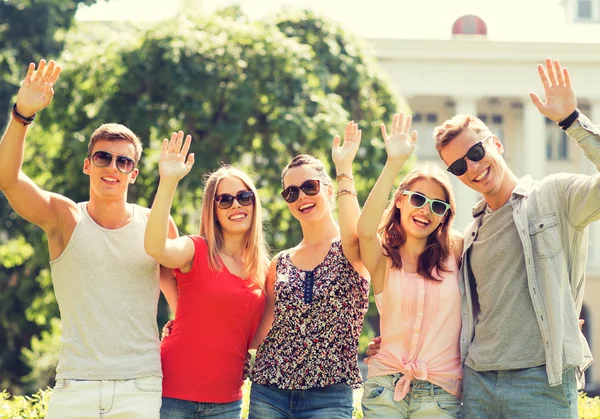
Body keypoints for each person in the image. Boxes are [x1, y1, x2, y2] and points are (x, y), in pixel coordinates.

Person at [0, 60, 177, 418]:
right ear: (88, 165)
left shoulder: (156, 224)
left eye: (123, 162)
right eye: (103, 157)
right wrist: (22, 116)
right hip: (75, 387)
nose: (112, 167)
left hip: (141, 387)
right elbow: (8, 180)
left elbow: (181, 304)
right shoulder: (64, 218)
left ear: (134, 174)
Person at [432, 57, 599, 418]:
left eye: (476, 152)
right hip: (478, 384)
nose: (473, 168)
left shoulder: (553, 196)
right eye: (459, 166)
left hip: (542, 382)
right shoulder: (471, 232)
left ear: (496, 143)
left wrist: (572, 121)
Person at [247, 122, 370, 419]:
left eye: (309, 187)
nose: (301, 197)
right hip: (269, 390)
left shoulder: (353, 251)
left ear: (328, 190)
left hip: (329, 396)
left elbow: (355, 236)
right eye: (291, 192)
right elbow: (257, 331)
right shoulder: (281, 262)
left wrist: (344, 168)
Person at [144, 131, 268, 419]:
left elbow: (252, 337)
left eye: (243, 197)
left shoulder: (264, 270)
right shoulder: (195, 249)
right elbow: (155, 247)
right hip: (173, 397)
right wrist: (168, 181)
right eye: (224, 200)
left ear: (254, 204)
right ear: (213, 211)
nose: (236, 205)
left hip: (227, 402)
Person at [357, 113, 463, 418]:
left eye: (438, 206)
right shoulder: (382, 260)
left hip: (441, 394)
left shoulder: (456, 252)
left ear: (444, 216)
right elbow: (365, 230)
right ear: (400, 200)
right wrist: (394, 163)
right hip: (385, 388)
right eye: (417, 199)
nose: (426, 210)